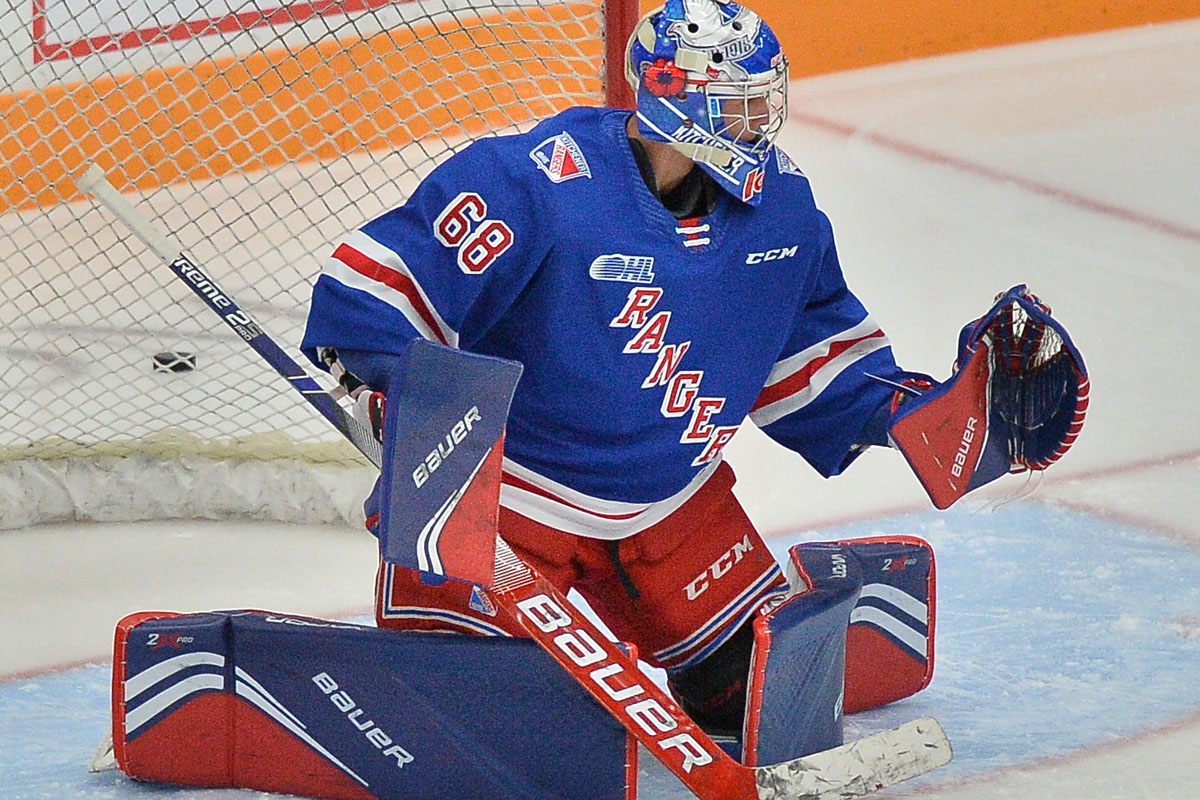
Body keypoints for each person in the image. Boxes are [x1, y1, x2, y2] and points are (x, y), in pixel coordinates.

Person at [302, 0, 925, 736]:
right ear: (677, 101)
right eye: (739, 103)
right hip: (510, 504)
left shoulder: (782, 211)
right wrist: (393, 383)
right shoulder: (534, 183)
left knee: (751, 688)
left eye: (764, 99)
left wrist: (927, 415)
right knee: (491, 714)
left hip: (670, 505)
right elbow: (381, 293)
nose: (761, 120)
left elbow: (812, 359)